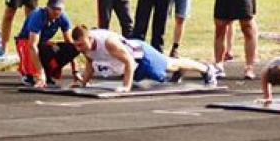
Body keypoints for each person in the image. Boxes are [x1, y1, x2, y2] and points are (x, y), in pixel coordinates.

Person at [70, 24, 218, 91]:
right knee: (160, 75)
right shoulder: (85, 46)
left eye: (81, 44)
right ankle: (179, 71)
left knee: (169, 64)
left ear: (90, 38)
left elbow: (128, 60)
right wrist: (83, 83)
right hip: (134, 64)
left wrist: (125, 87)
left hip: (142, 55)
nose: (79, 49)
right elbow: (90, 62)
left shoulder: (108, 42)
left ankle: (205, 68)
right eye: (76, 45)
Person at [15, 0, 78, 88]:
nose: (56, 12)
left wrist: (75, 71)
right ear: (48, 7)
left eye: (59, 9)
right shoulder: (37, 16)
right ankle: (29, 74)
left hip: (42, 43)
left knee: (72, 48)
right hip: (27, 42)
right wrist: (40, 74)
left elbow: (71, 43)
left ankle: (49, 72)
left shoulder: (63, 17)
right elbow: (33, 45)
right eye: (54, 9)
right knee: (31, 46)